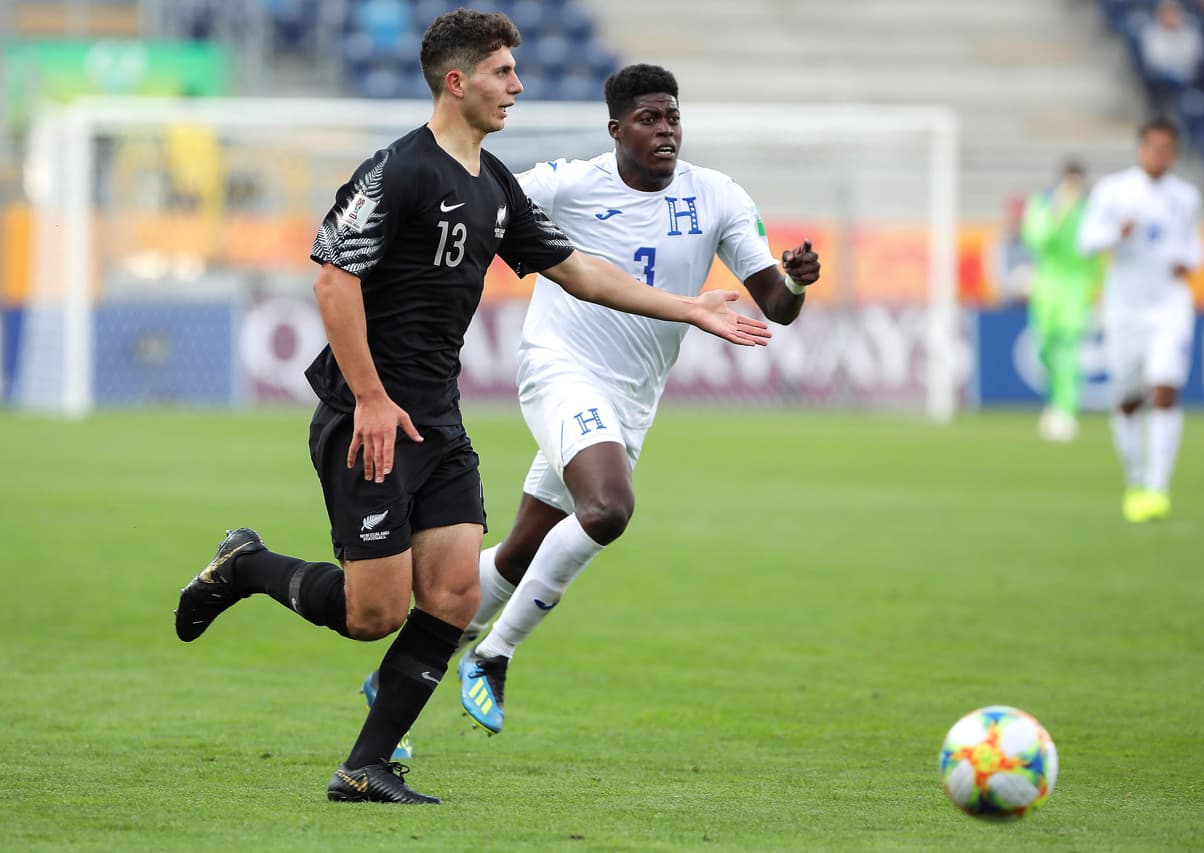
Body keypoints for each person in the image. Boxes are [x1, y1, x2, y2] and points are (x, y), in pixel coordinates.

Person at [172, 10, 770, 806]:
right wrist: (374, 398)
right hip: (369, 417)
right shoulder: (399, 170)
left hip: (439, 419)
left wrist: (688, 307)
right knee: (372, 612)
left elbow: (581, 273)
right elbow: (331, 277)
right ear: (458, 82)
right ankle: (245, 566)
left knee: (453, 596)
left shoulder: (495, 186)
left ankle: (365, 766)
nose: (518, 86)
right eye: (502, 73)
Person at [415, 63, 820, 737]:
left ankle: (414, 657)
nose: (666, 131)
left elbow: (775, 305)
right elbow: (480, 192)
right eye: (649, 119)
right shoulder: (569, 184)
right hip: (559, 367)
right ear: (616, 130)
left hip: (630, 399)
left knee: (520, 553)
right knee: (608, 507)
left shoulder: (716, 196)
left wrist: (796, 280)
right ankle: (493, 653)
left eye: (673, 118)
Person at [1077, 118, 1204, 524]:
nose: (1160, 155)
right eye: (1153, 147)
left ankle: (1158, 486)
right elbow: (1086, 241)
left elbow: (1195, 248)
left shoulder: (1185, 197)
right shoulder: (1114, 192)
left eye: (1167, 149)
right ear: (1140, 148)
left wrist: (1190, 262)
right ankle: (1135, 478)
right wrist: (1118, 232)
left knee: (1165, 389)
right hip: (1124, 309)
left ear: (1175, 153)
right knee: (1128, 400)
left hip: (1169, 305)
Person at [1020, 161, 1104, 442]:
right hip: (1046, 287)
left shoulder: (1090, 211)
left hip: (1076, 288)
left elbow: (1097, 254)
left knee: (1068, 349)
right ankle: (1054, 401)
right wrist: (1058, 211)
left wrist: (1099, 292)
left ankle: (1066, 410)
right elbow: (1036, 239)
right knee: (1043, 350)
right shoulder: (1042, 205)